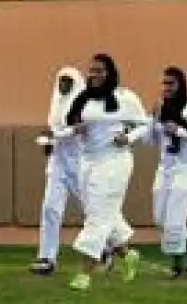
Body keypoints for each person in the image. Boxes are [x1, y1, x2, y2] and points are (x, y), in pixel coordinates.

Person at [64, 53, 146, 291]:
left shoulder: (125, 98)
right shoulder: (84, 98)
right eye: (91, 70)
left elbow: (145, 124)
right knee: (99, 211)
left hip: (115, 162)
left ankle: (86, 272)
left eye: (100, 70)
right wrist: (76, 127)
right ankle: (127, 254)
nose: (94, 75)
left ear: (110, 72)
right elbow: (71, 121)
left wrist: (128, 137)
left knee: (98, 216)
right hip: (88, 162)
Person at [147, 66, 187, 277]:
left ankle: (178, 266)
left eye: (171, 83)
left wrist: (181, 131)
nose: (166, 88)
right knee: (160, 219)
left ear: (181, 84)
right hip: (165, 169)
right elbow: (150, 141)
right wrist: (152, 119)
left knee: (174, 220)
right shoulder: (160, 108)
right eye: (164, 83)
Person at [29, 67, 87, 276]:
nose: (63, 85)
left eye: (67, 81)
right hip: (58, 164)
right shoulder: (56, 103)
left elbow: (80, 129)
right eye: (61, 81)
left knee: (92, 209)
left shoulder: (83, 102)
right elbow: (53, 130)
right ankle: (46, 257)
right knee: (50, 208)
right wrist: (49, 142)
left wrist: (55, 134)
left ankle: (109, 247)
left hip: (79, 163)